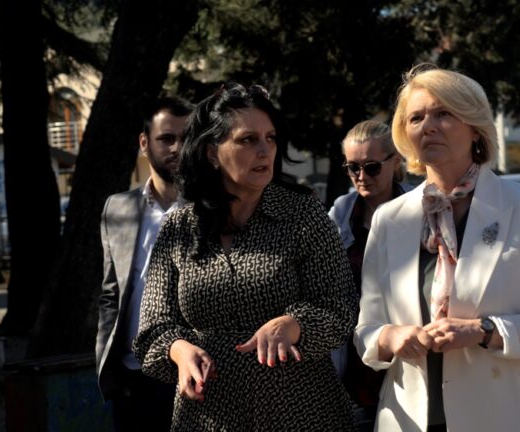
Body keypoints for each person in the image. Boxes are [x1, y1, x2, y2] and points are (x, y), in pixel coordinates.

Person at [354, 64, 520, 432]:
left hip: (512, 416)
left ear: (475, 126)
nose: (428, 126)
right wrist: (389, 337)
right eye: (416, 118)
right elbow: (367, 327)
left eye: (443, 113)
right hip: (413, 418)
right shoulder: (389, 219)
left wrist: (485, 330)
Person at [133, 82, 358, 431]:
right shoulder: (179, 227)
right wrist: (179, 350)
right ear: (212, 152)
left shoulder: (303, 215)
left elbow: (341, 307)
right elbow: (152, 328)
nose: (265, 151)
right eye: (248, 140)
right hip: (208, 415)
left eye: (270, 138)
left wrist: (293, 325)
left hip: (301, 412)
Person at [95, 96, 193, 431]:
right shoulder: (117, 208)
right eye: (167, 138)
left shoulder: (213, 209)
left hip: (193, 374)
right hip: (132, 377)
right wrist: (107, 367)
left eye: (186, 138)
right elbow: (111, 293)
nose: (178, 148)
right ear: (144, 143)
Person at [328, 120, 411, 430]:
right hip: (354, 364)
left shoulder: (422, 208)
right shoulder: (340, 215)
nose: (361, 177)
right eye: (352, 168)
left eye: (372, 167)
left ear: (395, 161)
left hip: (408, 353)